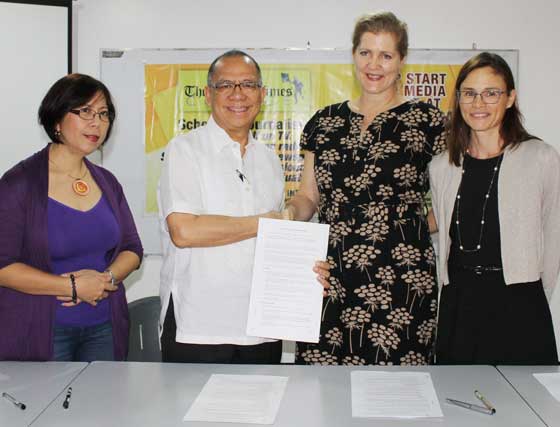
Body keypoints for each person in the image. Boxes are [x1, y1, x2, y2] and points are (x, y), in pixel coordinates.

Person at [284, 12, 446, 365]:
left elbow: (452, 202)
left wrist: (408, 229)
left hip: (403, 280)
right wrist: (286, 216)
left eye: (386, 55)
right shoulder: (323, 123)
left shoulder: (429, 122)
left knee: (397, 397)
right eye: (365, 53)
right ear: (353, 55)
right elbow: (309, 196)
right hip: (330, 277)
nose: (374, 65)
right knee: (323, 395)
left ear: (401, 60)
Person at [158, 50, 330, 364]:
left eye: (248, 85)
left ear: (262, 95)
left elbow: (277, 242)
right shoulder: (184, 150)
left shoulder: (269, 160)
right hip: (198, 328)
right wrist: (267, 221)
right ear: (208, 95)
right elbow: (184, 231)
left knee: (263, 411)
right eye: (226, 85)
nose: (238, 94)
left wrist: (306, 272)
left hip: (262, 328)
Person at [0, 74, 143, 361]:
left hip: (105, 327)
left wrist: (105, 279)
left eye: (103, 114)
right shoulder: (20, 184)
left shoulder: (106, 181)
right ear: (56, 119)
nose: (97, 123)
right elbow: (3, 266)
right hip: (43, 330)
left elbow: (132, 248)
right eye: (85, 112)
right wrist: (72, 287)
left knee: (102, 405)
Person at [429, 52, 560, 365]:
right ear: (458, 99)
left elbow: (554, 235)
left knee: (525, 408)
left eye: (491, 93)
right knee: (456, 403)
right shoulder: (441, 166)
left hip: (518, 303)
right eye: (470, 94)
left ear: (510, 98)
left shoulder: (540, 158)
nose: (479, 104)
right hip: (458, 304)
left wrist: (533, 294)